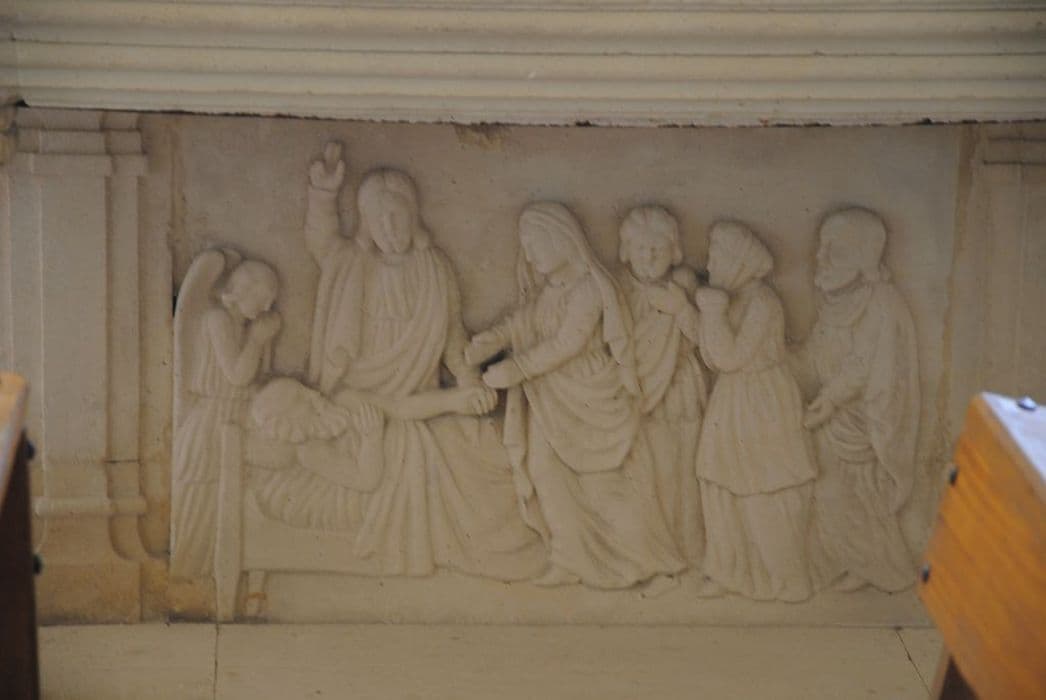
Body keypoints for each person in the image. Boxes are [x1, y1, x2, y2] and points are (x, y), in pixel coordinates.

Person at [301, 142, 546, 581]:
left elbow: (453, 342)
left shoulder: (435, 269)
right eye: (380, 220)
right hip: (358, 405)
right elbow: (321, 241)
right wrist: (323, 194)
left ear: (414, 215)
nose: (391, 227)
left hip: (422, 399)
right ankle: (456, 554)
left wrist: (470, 384)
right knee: (424, 446)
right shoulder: (351, 263)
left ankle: (521, 551)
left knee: (485, 444)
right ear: (367, 223)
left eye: (398, 216)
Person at [467, 202, 686, 589]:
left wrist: (517, 368)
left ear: (562, 239)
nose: (530, 254)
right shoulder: (549, 290)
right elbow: (523, 322)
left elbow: (568, 342)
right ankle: (570, 558)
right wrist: (492, 340)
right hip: (548, 400)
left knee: (605, 488)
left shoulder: (589, 288)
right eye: (525, 246)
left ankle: (652, 564)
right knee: (545, 472)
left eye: (536, 243)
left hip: (589, 401)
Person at [693, 221, 817, 601]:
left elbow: (732, 357)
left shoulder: (763, 302)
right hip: (731, 398)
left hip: (761, 401)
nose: (709, 265)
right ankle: (728, 570)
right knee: (718, 481)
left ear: (738, 262)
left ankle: (785, 576)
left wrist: (712, 312)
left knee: (762, 487)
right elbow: (711, 357)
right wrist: (704, 313)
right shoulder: (729, 299)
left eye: (717, 257)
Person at [801, 207, 919, 592]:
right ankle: (843, 560)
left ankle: (882, 569)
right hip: (831, 414)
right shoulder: (836, 300)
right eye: (821, 248)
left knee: (853, 496)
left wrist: (831, 399)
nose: (820, 258)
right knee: (828, 493)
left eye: (833, 251)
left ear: (864, 258)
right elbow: (817, 352)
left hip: (862, 423)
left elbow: (866, 362)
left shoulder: (882, 302)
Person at [171, 253, 281, 579]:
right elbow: (237, 375)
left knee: (224, 502)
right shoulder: (216, 319)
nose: (267, 307)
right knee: (203, 502)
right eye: (263, 298)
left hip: (231, 419)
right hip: (211, 423)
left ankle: (214, 572)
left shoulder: (238, 324)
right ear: (243, 290)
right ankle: (191, 574)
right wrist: (258, 340)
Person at [617, 206, 707, 566]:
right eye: (640, 248)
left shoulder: (683, 287)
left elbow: (706, 341)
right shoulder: (619, 292)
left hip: (678, 392)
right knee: (641, 479)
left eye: (657, 248)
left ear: (674, 251)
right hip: (633, 396)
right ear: (626, 251)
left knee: (681, 476)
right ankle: (652, 559)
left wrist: (681, 308)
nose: (649, 256)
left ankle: (689, 556)